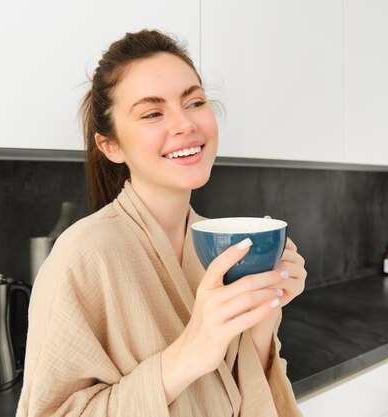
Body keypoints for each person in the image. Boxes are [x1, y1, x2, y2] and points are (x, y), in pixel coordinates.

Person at [16, 29, 307, 417]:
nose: (185, 124)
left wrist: (264, 319)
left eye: (195, 102)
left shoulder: (220, 244)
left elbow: (243, 397)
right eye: (153, 113)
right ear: (111, 145)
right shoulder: (80, 255)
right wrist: (191, 351)